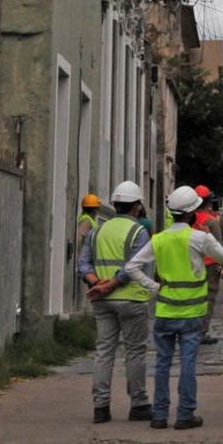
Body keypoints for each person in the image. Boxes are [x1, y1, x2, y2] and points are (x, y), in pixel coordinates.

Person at [114, 186, 223, 430]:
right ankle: (185, 414)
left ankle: (159, 414)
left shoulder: (159, 239)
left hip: (165, 312)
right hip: (192, 313)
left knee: (163, 363)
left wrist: (154, 287)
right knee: (188, 362)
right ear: (193, 212)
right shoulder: (199, 238)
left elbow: (132, 267)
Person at [78, 181, 151, 425]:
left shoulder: (97, 230)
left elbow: (83, 264)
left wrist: (96, 282)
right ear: (136, 207)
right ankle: (138, 404)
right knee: (135, 352)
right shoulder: (139, 232)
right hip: (131, 299)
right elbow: (135, 266)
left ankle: (100, 407)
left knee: (104, 352)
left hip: (102, 301)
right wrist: (111, 284)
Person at [192, 186, 223, 344]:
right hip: (210, 265)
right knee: (208, 298)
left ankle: (190, 329)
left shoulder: (189, 219)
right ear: (208, 202)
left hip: (191, 264)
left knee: (193, 297)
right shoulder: (211, 222)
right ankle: (201, 331)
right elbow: (219, 247)